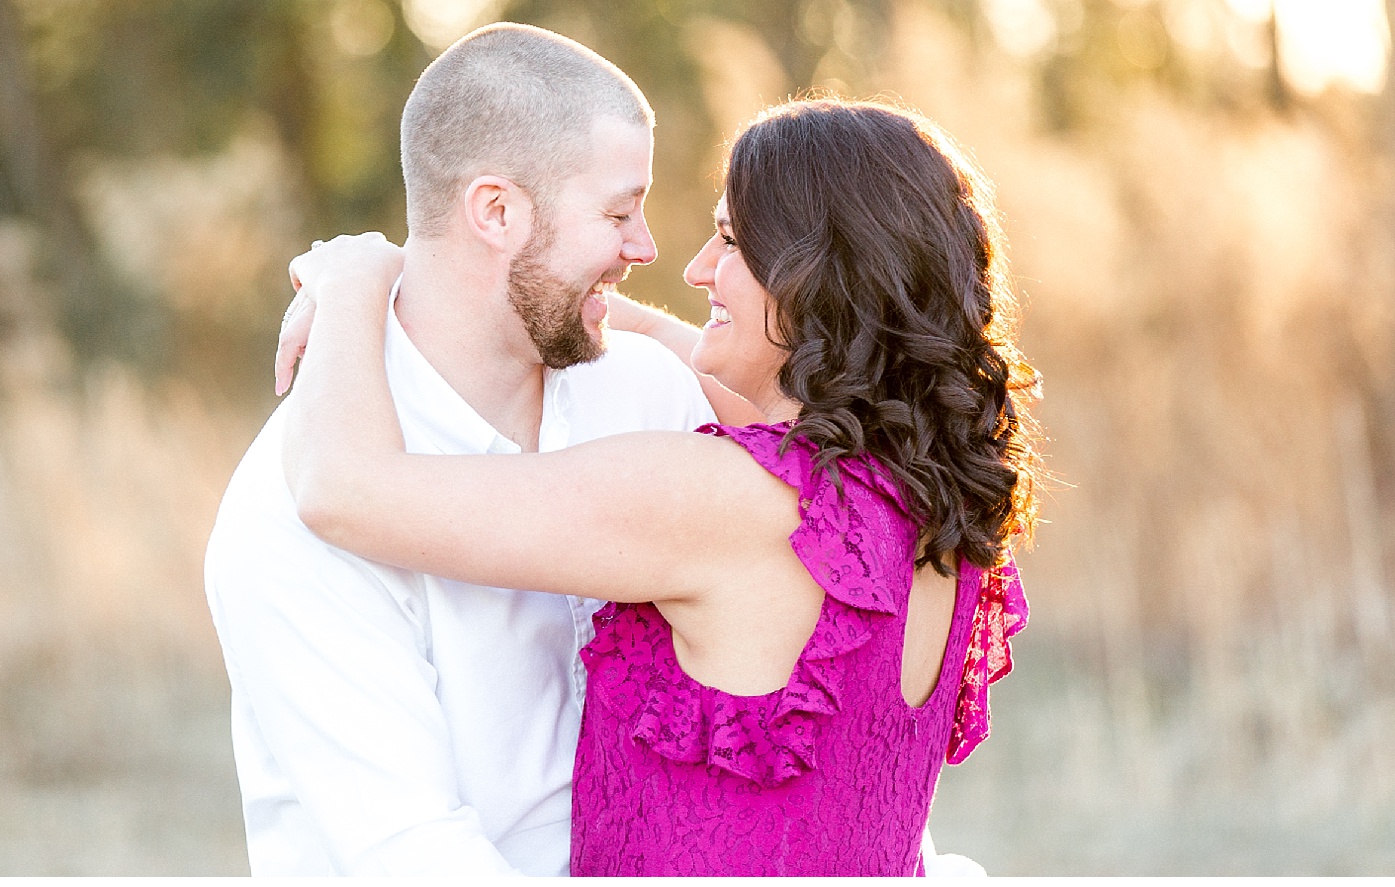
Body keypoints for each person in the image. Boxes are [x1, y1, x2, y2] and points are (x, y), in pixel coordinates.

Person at [277, 97, 1041, 876]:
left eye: (731, 241)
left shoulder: (721, 500)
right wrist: (473, 278)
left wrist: (352, 281)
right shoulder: (931, 499)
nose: (695, 268)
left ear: (819, 273)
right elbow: (683, 342)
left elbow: (343, 490)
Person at [203, 23, 724, 875]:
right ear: (496, 210)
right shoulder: (289, 507)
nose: (646, 248)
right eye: (618, 211)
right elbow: (412, 856)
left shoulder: (644, 392)